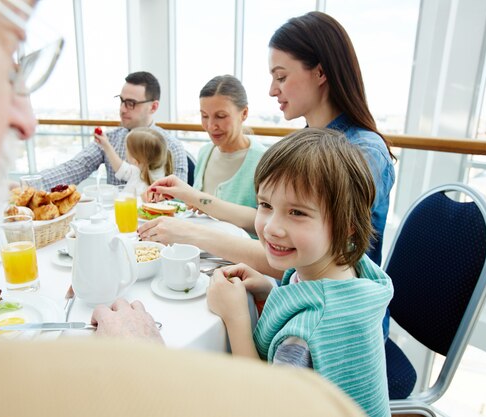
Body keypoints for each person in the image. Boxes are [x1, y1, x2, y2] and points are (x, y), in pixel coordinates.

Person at [0, 2, 365, 416]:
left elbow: (319, 267)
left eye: (281, 77)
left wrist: (144, 359)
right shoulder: (200, 152)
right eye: (0, 69)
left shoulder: (340, 160)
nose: (28, 121)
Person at [140, 11, 395, 334]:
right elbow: (271, 219)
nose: (273, 90)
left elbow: (307, 251)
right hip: (297, 299)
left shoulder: (362, 152)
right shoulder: (310, 141)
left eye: (281, 76)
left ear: (320, 72)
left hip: (335, 327)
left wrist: (188, 233)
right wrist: (193, 196)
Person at [206, 128, 393, 417]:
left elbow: (264, 405)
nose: (271, 228)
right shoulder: (354, 271)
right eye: (265, 205)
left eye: (297, 213)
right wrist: (274, 294)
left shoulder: (306, 336)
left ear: (349, 224)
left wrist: (235, 318)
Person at [38, 71, 188, 190]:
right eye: (122, 101)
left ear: (153, 107)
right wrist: (31, 186)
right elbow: (74, 168)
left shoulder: (172, 147)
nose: (122, 109)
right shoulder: (109, 140)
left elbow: (179, 198)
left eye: (131, 103)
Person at [193, 75, 266, 209]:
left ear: (244, 113)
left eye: (220, 116)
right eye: (204, 116)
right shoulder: (204, 153)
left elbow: (266, 219)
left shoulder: (264, 160)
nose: (210, 126)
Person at [95, 126, 173, 197]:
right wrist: (106, 144)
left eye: (126, 149)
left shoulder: (150, 189)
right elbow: (120, 168)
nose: (125, 151)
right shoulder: (139, 170)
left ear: (136, 161)